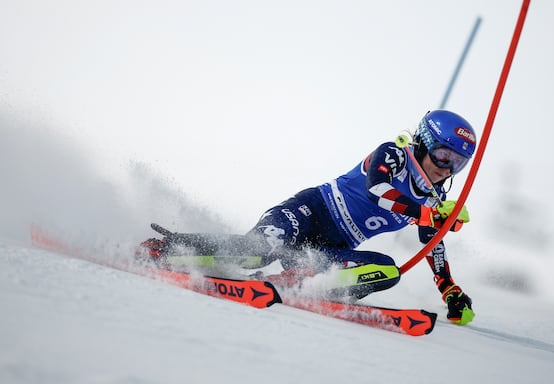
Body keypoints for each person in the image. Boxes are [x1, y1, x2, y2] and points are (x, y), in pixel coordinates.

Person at [139, 110, 476, 325]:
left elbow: (432, 242)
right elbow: (378, 191)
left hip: (330, 246)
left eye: (457, 163)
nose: (446, 168)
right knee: (255, 252)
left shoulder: (434, 198)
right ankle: (166, 248)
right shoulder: (393, 154)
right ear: (424, 142)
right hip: (309, 213)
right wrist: (428, 213)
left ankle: (298, 281)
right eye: (443, 154)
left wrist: (449, 289)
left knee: (388, 271)